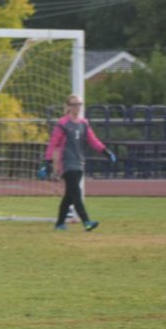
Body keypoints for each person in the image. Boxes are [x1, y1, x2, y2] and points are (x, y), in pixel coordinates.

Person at [44, 94, 116, 232]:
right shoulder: (62, 123)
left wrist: (105, 152)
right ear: (68, 107)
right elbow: (53, 143)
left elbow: (93, 140)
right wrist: (47, 161)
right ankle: (86, 222)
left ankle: (59, 224)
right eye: (74, 104)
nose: (77, 107)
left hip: (79, 163)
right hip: (66, 164)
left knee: (69, 196)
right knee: (76, 193)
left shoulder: (84, 123)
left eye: (79, 104)